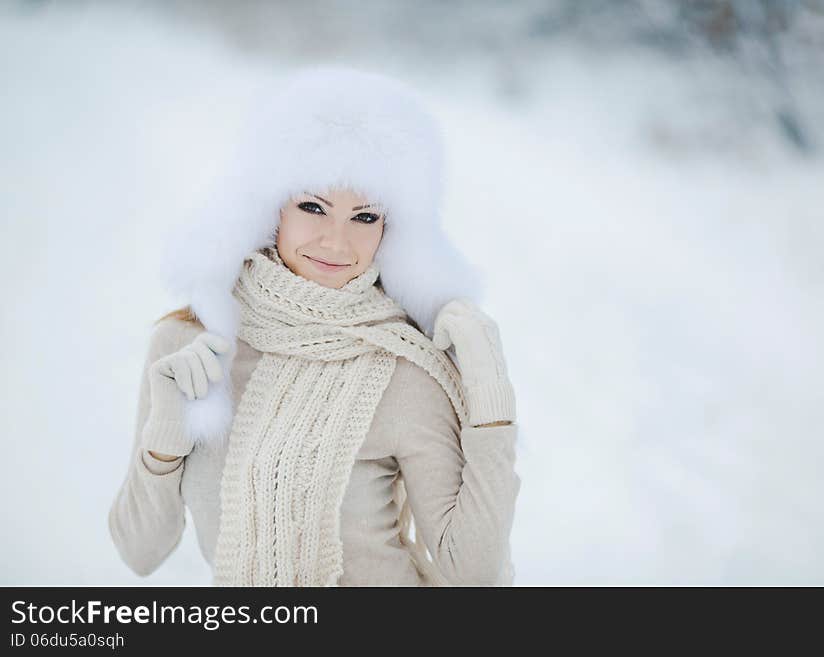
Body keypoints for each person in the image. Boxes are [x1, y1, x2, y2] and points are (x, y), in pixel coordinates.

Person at [108, 65, 521, 586]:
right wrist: (166, 436)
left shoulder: (404, 369)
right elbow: (138, 550)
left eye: (364, 217)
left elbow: (474, 576)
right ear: (268, 208)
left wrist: (490, 408)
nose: (335, 242)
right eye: (312, 206)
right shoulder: (192, 346)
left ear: (392, 229)